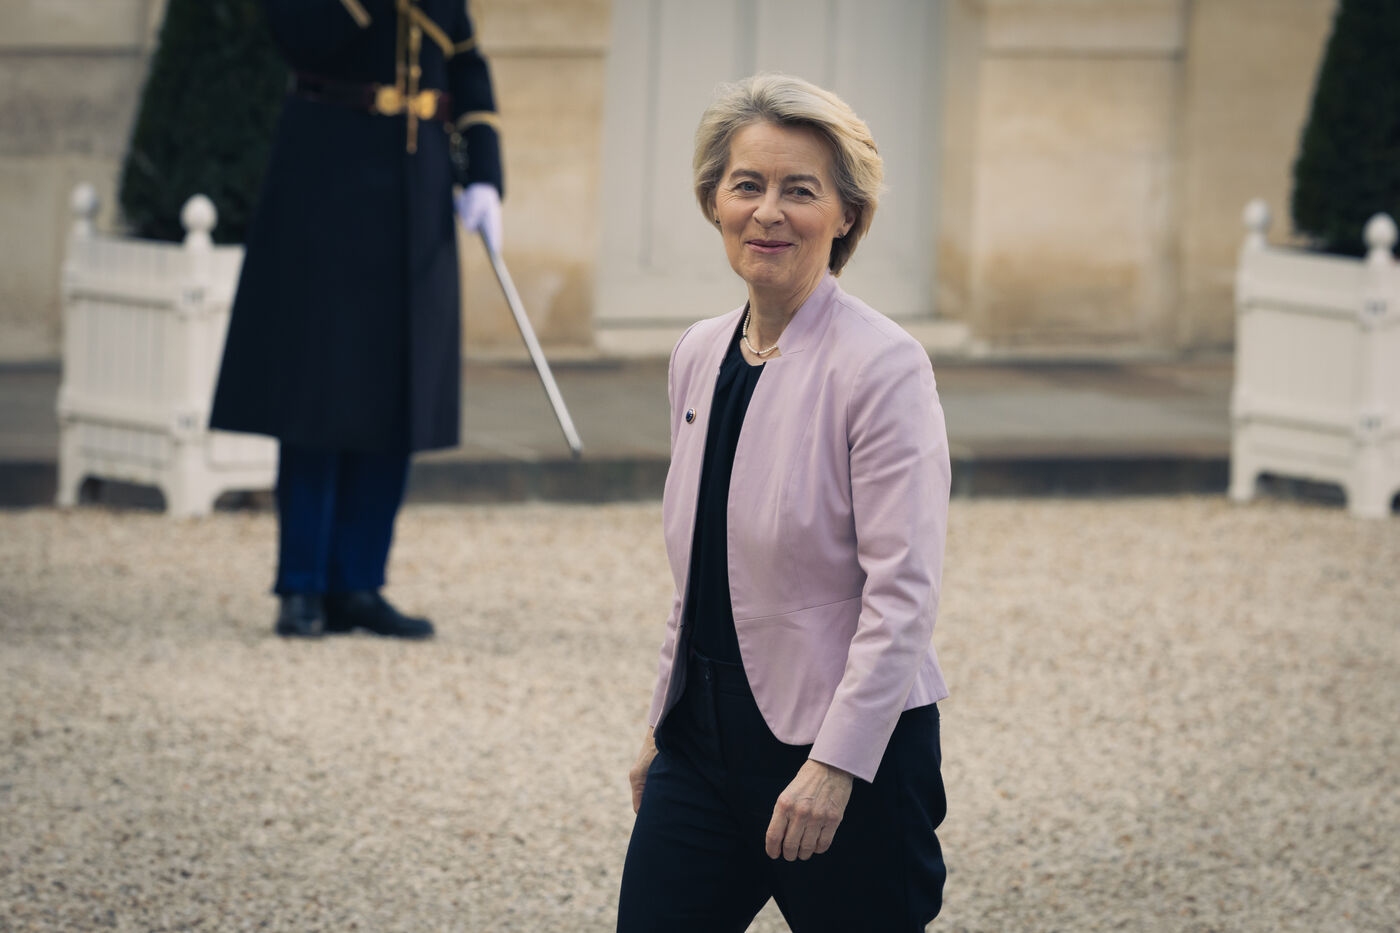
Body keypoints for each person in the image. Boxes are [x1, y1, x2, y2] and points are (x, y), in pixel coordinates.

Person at [617, 74, 952, 932]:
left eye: (799, 190)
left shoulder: (884, 366)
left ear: (846, 215)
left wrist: (837, 764)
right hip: (700, 744)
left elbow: (903, 593)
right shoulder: (697, 353)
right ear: (714, 201)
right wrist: (662, 722)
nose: (767, 212)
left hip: (845, 752)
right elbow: (699, 570)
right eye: (747, 185)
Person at [210, 0, 504, 639]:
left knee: (398, 384)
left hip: (416, 185)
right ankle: (302, 584)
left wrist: (485, 173)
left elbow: (466, 64)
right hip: (327, 178)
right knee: (319, 388)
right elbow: (303, 38)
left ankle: (358, 582)